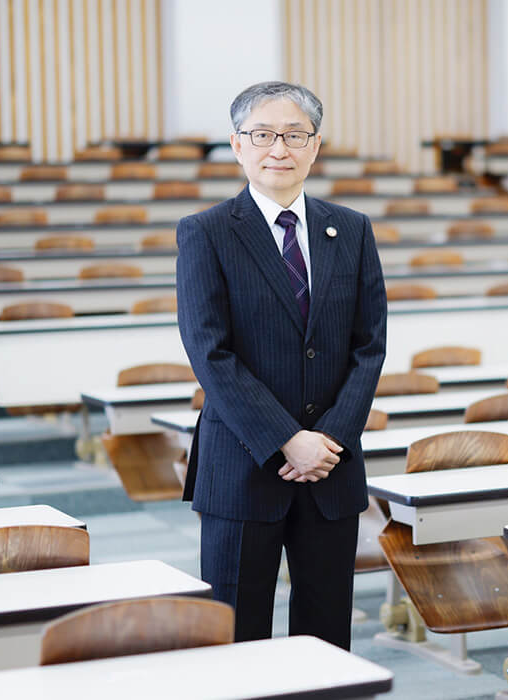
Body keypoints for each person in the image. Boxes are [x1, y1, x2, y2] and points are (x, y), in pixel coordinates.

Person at [175, 81, 387, 650]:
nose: (279, 149)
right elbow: (210, 353)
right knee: (236, 632)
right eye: (263, 134)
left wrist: (328, 440)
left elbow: (370, 348)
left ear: (315, 147)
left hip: (331, 468)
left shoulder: (353, 229)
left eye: (295, 135)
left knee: (326, 634)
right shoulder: (206, 233)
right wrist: (287, 440)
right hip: (242, 465)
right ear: (237, 145)